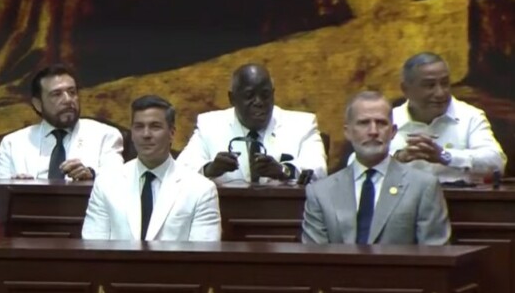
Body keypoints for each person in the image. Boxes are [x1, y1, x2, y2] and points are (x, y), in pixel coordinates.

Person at [302, 91, 450, 245]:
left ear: (392, 132)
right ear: (348, 132)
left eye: (381, 123)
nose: (373, 131)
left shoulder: (423, 187)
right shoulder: (320, 193)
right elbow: (315, 259)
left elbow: (435, 256)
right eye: (364, 123)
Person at [82, 95, 221, 241]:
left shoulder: (201, 190)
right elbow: (93, 248)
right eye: (139, 127)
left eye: (155, 127)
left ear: (172, 133)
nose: (146, 134)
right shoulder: (106, 184)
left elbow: (203, 255)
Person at [177, 63, 327, 183]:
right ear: (232, 98)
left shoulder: (302, 125)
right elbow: (180, 173)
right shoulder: (210, 125)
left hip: (284, 215)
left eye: (265, 95)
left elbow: (319, 172)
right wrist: (210, 169)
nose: (259, 102)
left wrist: (283, 171)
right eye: (249, 96)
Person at [390, 52, 506, 182]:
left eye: (445, 83)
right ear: (406, 89)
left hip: (459, 200)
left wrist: (445, 156)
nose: (440, 93)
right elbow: (366, 165)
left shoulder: (470, 117)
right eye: (429, 85)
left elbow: (496, 163)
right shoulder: (389, 120)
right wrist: (398, 159)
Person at [0, 64, 124, 180]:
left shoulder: (105, 135)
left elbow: (118, 178)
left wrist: (91, 174)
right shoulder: (13, 143)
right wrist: (14, 184)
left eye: (72, 92)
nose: (68, 100)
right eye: (56, 94)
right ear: (38, 104)